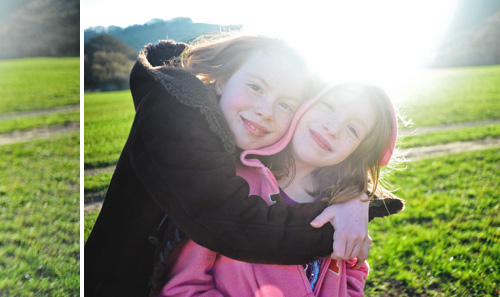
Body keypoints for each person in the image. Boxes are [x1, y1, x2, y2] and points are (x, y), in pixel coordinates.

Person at [84, 35, 400, 296]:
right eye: (255, 87)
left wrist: (355, 201)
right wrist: (333, 228)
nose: (265, 111)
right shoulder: (179, 120)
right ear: (221, 80)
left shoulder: (336, 195)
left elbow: (353, 270)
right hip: (112, 282)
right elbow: (225, 224)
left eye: (286, 104)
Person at [159, 82, 402, 296]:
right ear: (303, 104)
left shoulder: (342, 200)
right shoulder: (231, 186)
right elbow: (184, 286)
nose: (333, 128)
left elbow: (353, 267)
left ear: (359, 150)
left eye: (353, 129)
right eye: (328, 106)